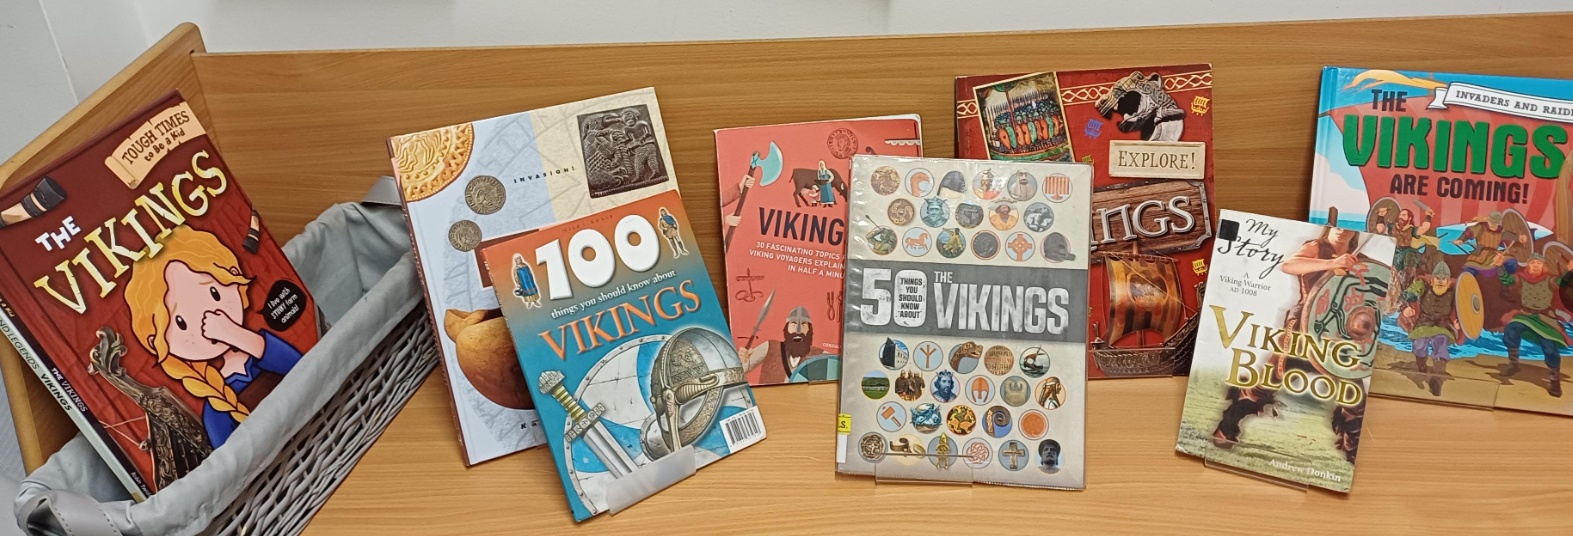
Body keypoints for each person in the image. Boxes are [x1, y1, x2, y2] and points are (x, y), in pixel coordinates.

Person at [124, 227, 303, 449]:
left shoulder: (262, 349)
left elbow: (310, 367)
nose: (207, 319)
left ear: (233, 274)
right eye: (181, 322)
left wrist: (234, 333)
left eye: (214, 293)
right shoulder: (216, 407)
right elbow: (231, 461)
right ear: (157, 343)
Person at [1214, 225, 1366, 462]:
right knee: (1266, 382)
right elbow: (1289, 265)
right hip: (1302, 329)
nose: (1342, 231)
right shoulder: (1316, 248)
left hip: (1336, 336)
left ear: (1356, 232)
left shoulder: (1360, 260)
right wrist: (1332, 263)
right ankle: (1227, 426)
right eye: (1338, 225)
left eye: (1349, 228)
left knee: (1353, 394)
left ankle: (1352, 450)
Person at [1500, 253, 1573, 397]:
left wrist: (1569, 271)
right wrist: (1499, 266)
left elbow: (1564, 283)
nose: (1535, 266)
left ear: (1543, 266)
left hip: (1545, 318)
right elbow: (1506, 279)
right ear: (1528, 265)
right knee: (1511, 330)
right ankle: (1513, 364)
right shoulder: (1521, 278)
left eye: (1539, 263)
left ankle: (1554, 380)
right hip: (1526, 316)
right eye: (1533, 263)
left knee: (1550, 348)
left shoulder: (1550, 279)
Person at [1401, 261, 1462, 396]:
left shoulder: (1454, 292)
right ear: (1432, 279)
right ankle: (1422, 367)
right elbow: (1409, 294)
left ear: (1448, 281)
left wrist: (1458, 322)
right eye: (1437, 278)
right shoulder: (1423, 286)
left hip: (1443, 325)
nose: (1440, 281)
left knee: (1441, 344)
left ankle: (1437, 380)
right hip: (1424, 323)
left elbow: (1463, 306)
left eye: (1443, 278)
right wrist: (1406, 308)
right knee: (1419, 345)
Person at [738, 306, 822, 384]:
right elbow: (740, 370)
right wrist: (742, 359)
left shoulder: (820, 355)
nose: (798, 330)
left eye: (803, 325)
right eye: (793, 324)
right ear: (787, 328)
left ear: (809, 330)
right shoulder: (770, 347)